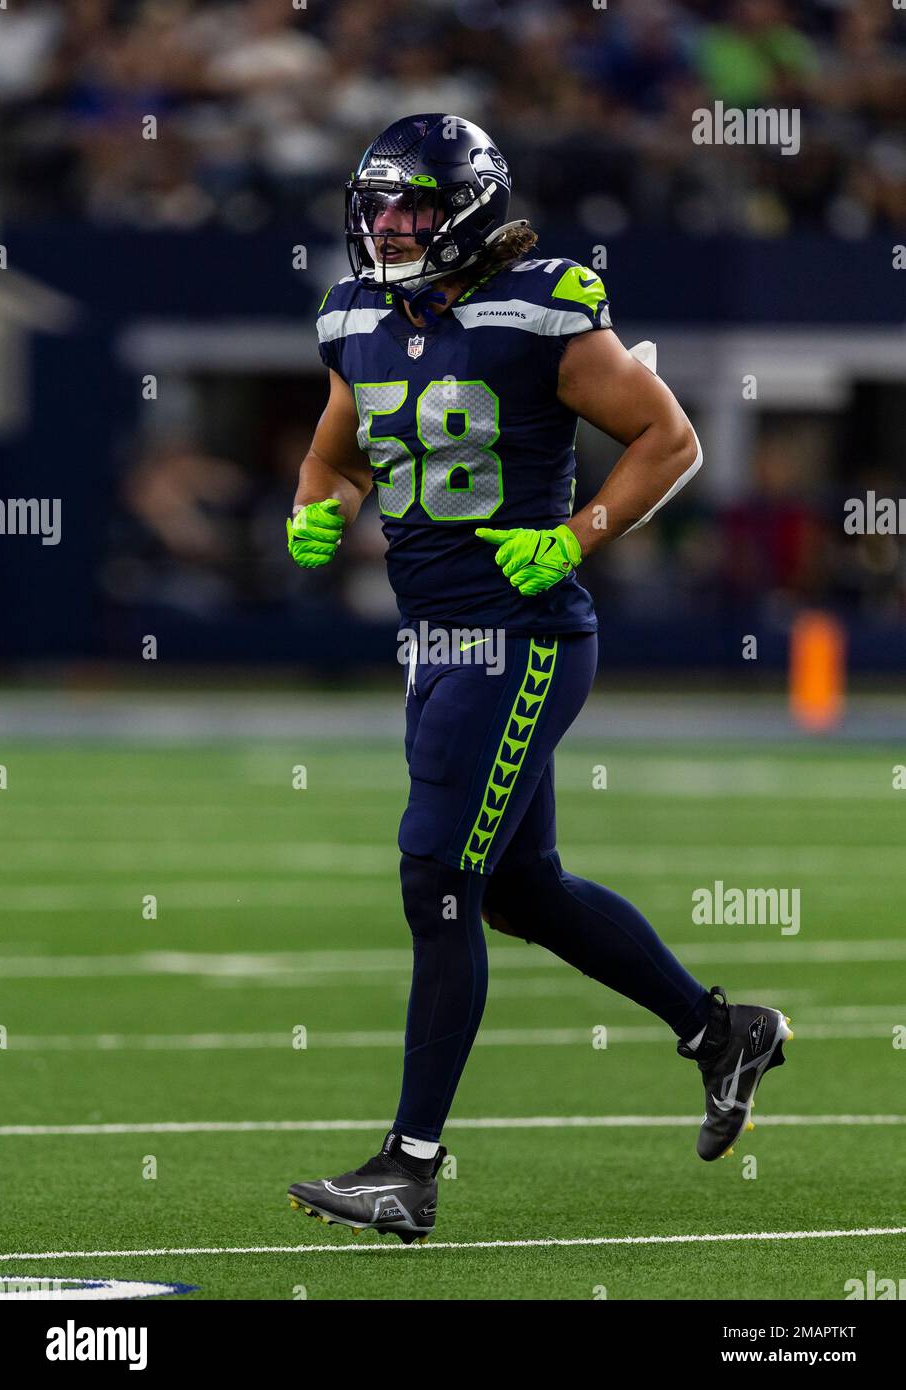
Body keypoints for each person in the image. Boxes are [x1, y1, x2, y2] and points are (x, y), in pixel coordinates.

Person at [285, 114, 791, 1244]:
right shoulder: (356, 313)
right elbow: (338, 448)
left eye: (411, 207)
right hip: (436, 643)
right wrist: (322, 508)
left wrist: (577, 533)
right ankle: (722, 1032)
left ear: (465, 206)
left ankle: (409, 1166)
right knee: (520, 889)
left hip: (522, 639)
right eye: (374, 206)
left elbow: (668, 438)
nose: (387, 227)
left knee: (437, 881)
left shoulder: (539, 307)